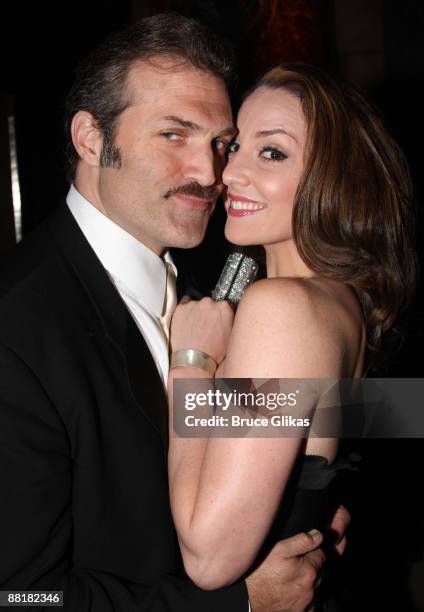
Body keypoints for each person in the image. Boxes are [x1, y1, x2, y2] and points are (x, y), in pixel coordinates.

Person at [0, 15, 350, 612]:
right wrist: (241, 602)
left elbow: (280, 402)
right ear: (90, 139)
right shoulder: (18, 326)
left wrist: (308, 484)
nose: (210, 173)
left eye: (220, 143)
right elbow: (20, 595)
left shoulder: (212, 279)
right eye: (174, 136)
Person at [167, 62, 416, 597]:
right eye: (235, 147)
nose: (227, 172)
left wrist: (190, 362)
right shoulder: (338, 301)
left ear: (335, 179)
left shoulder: (281, 307)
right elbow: (378, 417)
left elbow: (209, 558)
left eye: (272, 152)